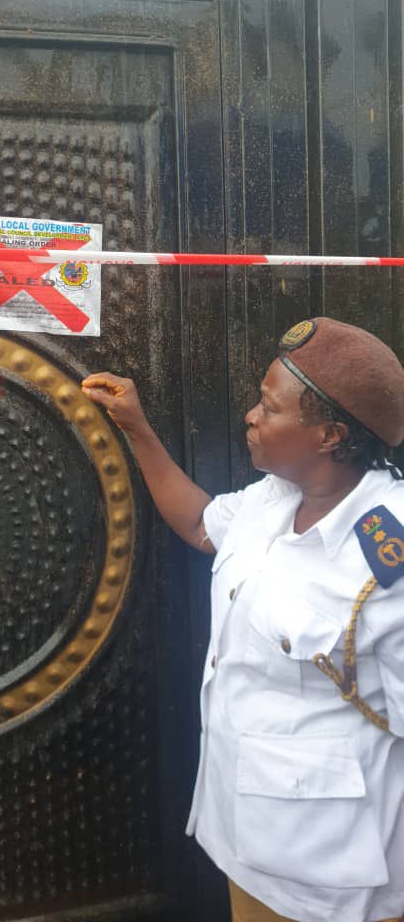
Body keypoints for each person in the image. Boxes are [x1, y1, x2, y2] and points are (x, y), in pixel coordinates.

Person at [81, 317, 404, 922]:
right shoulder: (274, 497)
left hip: (339, 879)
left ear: (329, 435)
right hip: (249, 836)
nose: (252, 415)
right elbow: (203, 525)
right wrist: (138, 429)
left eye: (268, 406)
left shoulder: (388, 558)